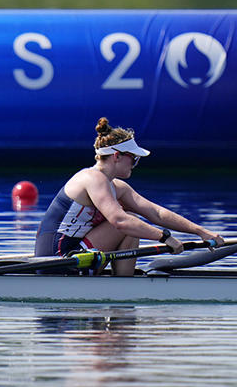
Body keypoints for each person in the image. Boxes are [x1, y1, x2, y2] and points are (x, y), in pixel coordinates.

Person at [34, 117, 225, 276]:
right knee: (129, 222)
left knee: (133, 223)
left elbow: (157, 213)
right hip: (56, 260)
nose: (134, 164)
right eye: (133, 158)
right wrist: (164, 237)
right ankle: (124, 289)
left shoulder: (117, 187)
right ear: (116, 156)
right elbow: (119, 221)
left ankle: (124, 288)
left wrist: (201, 231)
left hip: (78, 256)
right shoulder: (92, 178)